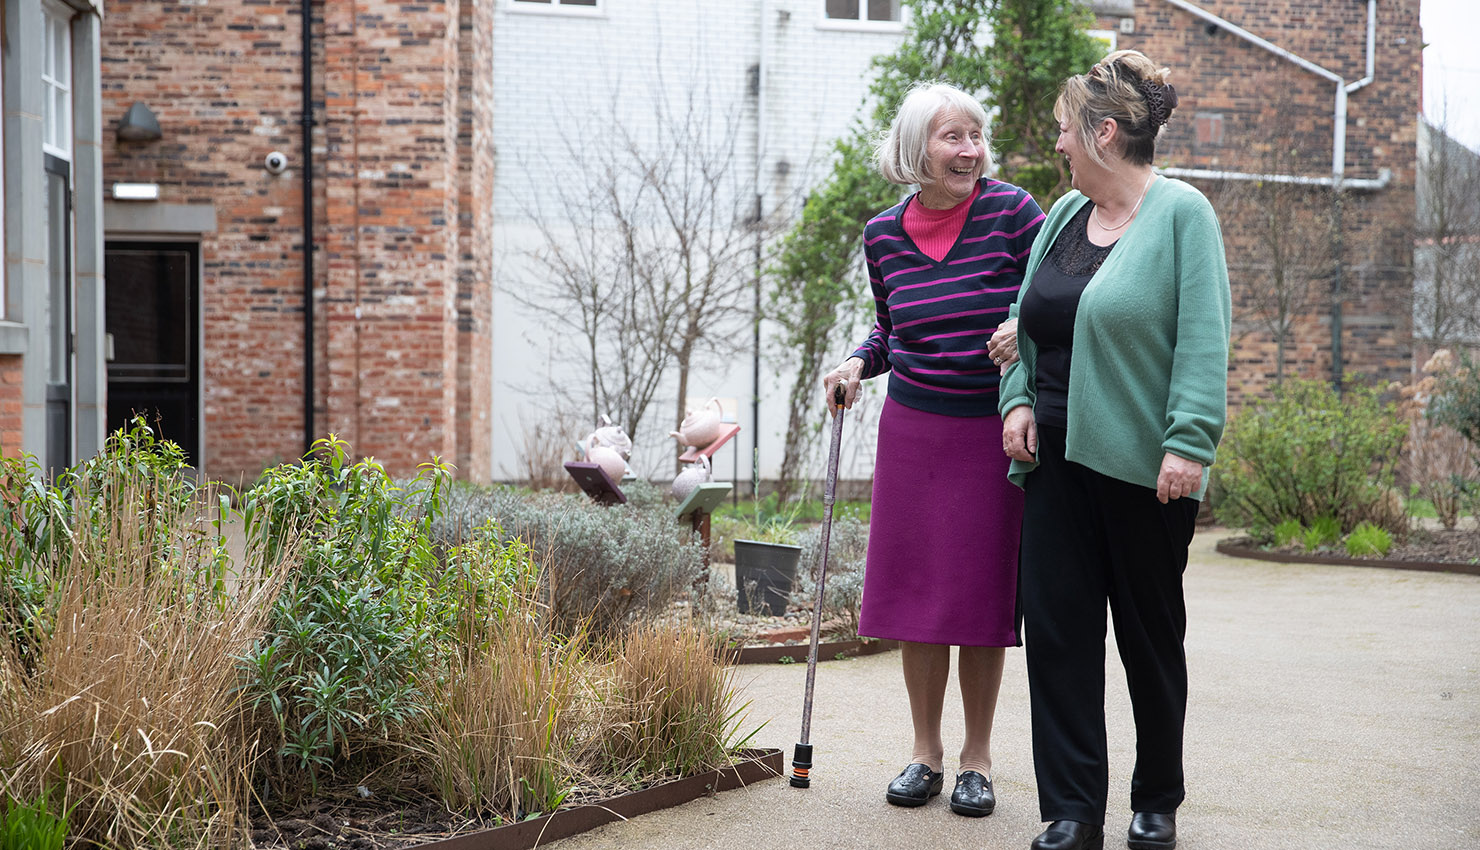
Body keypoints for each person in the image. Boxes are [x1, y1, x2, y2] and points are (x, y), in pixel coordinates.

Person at [997, 50, 1231, 850]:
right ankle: (1071, 811)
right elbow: (1026, 329)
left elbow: (1204, 339)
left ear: (1103, 133)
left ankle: (1157, 798)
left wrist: (1188, 444)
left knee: (1148, 638)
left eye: (1065, 130)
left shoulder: (1182, 215)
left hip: (1143, 470)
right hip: (1054, 463)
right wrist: (1018, 400)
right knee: (1059, 636)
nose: (1058, 144)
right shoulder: (1062, 218)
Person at [822, 81, 1043, 819]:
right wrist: (857, 362)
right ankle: (926, 753)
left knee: (979, 595)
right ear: (918, 149)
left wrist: (1028, 330)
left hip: (992, 428)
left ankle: (978, 760)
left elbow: (1053, 296)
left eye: (975, 136)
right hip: (914, 432)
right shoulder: (882, 233)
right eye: (954, 137)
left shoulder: (1014, 213)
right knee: (919, 598)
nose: (970, 150)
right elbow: (892, 330)